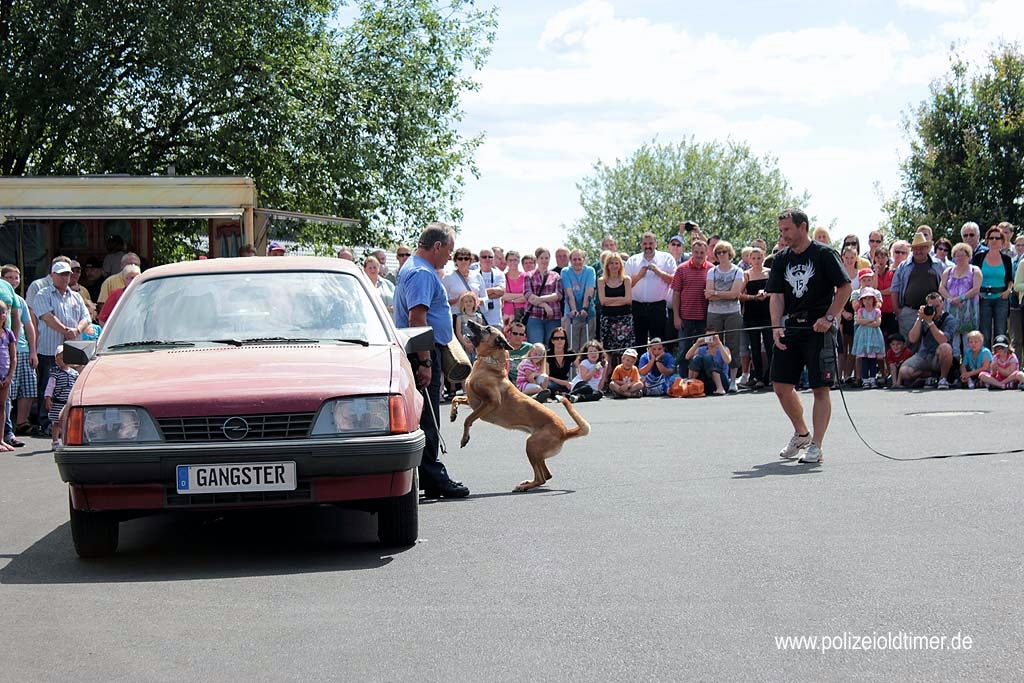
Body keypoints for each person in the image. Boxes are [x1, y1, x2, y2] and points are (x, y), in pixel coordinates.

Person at [767, 208, 852, 465]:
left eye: (787, 230)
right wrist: (775, 326)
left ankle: (817, 445)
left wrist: (829, 317)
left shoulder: (824, 254)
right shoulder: (781, 259)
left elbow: (845, 287)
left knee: (819, 388)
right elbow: (777, 295)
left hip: (819, 327)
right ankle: (802, 433)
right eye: (781, 231)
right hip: (792, 326)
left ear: (802, 227)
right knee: (781, 386)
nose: (783, 235)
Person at [392, 221, 469, 499]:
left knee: (426, 414)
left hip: (421, 349)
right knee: (427, 416)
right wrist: (425, 362)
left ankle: (428, 473)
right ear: (437, 246)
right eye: (449, 249)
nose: (451, 255)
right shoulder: (422, 273)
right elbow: (417, 318)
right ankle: (433, 476)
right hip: (422, 350)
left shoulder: (413, 268)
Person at [34, 260, 91, 435]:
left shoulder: (76, 296)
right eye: (61, 274)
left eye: (67, 274)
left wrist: (77, 330)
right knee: (49, 387)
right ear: (52, 275)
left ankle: (70, 422)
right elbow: (46, 316)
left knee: (73, 385)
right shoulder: (43, 294)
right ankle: (47, 424)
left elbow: (86, 317)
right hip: (51, 348)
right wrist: (65, 330)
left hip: (73, 348)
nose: (66, 277)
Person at [1, 265, 36, 442]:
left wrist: (12, 341)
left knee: (17, 391)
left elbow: (20, 320)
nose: (14, 281)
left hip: (12, 349)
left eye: (17, 277)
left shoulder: (13, 295)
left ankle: (12, 430)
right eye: (10, 277)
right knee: (8, 394)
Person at [705, 240, 744, 391]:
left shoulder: (737, 271)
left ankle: (733, 380)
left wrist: (716, 293)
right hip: (714, 312)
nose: (721, 255)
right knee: (712, 343)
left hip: (732, 312)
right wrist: (723, 294)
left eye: (724, 252)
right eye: (718, 252)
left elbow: (735, 294)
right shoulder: (712, 272)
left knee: (733, 345)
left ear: (730, 254)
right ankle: (716, 381)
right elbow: (708, 295)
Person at [625, 232, 676, 347]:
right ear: (641, 245)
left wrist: (659, 272)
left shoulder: (667, 258)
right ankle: (638, 365)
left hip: (658, 307)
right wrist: (639, 276)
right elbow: (626, 285)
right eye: (645, 244)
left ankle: (659, 365)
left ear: (656, 243)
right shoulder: (633, 261)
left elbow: (674, 281)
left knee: (659, 342)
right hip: (637, 307)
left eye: (651, 243)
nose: (648, 246)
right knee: (638, 343)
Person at [896, 292, 956, 389]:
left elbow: (943, 340)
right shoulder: (924, 317)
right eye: (932, 306)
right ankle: (929, 375)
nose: (935, 309)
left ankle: (942, 379)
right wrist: (919, 319)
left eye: (937, 305)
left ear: (942, 304)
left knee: (946, 347)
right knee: (904, 372)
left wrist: (930, 323)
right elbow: (912, 339)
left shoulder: (949, 319)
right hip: (923, 354)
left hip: (938, 356)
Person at [891, 232, 945, 341]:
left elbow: (945, 286)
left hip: (932, 312)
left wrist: (941, 308)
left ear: (927, 248)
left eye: (922, 248)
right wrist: (897, 310)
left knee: (931, 344)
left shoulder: (938, 265)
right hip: (909, 312)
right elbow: (895, 288)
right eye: (915, 248)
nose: (918, 251)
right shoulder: (903, 266)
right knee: (909, 344)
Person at [671, 239, 714, 375]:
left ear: (706, 252)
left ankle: (703, 380)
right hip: (686, 318)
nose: (699, 255)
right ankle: (684, 380)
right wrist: (676, 317)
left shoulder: (712, 269)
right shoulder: (681, 269)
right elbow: (676, 294)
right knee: (684, 350)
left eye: (702, 252)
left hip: (705, 318)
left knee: (704, 349)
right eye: (696, 252)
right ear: (692, 252)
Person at [971, 226, 1014, 347]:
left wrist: (1008, 291)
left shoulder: (1006, 259)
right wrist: (977, 292)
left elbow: (1010, 279)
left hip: (1001, 298)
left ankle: (1000, 361)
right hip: (983, 298)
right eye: (991, 238)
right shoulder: (979, 257)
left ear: (1002, 241)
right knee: (984, 332)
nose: (994, 240)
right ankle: (985, 361)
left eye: (998, 238)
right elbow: (972, 276)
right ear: (987, 240)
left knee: (1000, 332)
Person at [939, 242, 981, 361]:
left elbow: (976, 288)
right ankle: (955, 365)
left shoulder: (974, 270)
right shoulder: (948, 271)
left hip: (969, 309)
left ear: (969, 256)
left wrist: (961, 298)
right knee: (954, 339)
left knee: (969, 340)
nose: (960, 258)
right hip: (951, 309)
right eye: (957, 255)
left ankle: (969, 365)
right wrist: (951, 299)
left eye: (963, 255)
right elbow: (941, 287)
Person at [597, 251, 634, 372]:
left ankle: (625, 375)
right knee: (608, 351)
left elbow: (628, 300)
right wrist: (620, 299)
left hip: (625, 320)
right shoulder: (602, 281)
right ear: (607, 265)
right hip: (608, 320)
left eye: (616, 263)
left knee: (626, 351)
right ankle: (607, 378)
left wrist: (611, 300)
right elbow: (603, 301)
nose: (614, 266)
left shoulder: (626, 280)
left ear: (620, 265)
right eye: (611, 263)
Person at [740, 246, 772, 388]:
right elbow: (739, 295)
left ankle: (771, 376)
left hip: (767, 313)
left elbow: (776, 291)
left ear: (763, 257)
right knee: (754, 346)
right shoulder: (746, 274)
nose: (757, 261)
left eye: (759, 258)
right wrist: (754, 297)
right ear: (749, 259)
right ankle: (758, 377)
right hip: (751, 314)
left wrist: (766, 294)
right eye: (754, 258)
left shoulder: (769, 273)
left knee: (770, 345)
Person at [523, 248, 562, 343]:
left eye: (546, 258)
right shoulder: (529, 275)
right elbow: (529, 295)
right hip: (535, 316)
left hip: (553, 317)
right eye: (542, 258)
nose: (544, 260)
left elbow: (558, 295)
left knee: (551, 346)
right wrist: (545, 306)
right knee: (536, 346)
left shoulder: (555, 276)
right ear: (537, 259)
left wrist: (539, 299)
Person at [45, 345, 80, 450]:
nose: (63, 360)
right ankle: (55, 442)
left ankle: (66, 441)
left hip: (68, 403)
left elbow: (77, 387)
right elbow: (50, 386)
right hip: (58, 402)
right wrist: (48, 398)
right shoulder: (55, 372)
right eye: (60, 357)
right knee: (56, 422)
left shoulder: (75, 373)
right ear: (56, 359)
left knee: (68, 423)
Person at [561, 248, 596, 348]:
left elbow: (589, 290)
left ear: (584, 260)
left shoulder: (590, 271)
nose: (577, 262)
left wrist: (584, 308)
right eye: (574, 259)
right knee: (572, 345)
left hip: (588, 313)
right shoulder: (566, 271)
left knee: (587, 345)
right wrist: (574, 309)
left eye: (579, 259)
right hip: (572, 314)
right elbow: (569, 293)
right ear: (570, 261)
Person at [852, 287, 885, 388]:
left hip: (874, 337)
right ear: (862, 300)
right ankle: (865, 379)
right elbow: (859, 321)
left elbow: (878, 323)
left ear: (874, 299)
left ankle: (873, 378)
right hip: (863, 337)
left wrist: (865, 322)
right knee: (864, 359)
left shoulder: (877, 311)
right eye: (865, 299)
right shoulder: (861, 311)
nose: (867, 301)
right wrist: (871, 321)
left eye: (870, 298)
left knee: (873, 359)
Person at [684, 328, 732, 395]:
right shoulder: (701, 349)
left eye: (713, 336)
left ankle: (720, 388)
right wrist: (697, 344)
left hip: (722, 380)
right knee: (697, 358)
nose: (711, 339)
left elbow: (728, 361)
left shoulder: (724, 348)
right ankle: (690, 386)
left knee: (708, 357)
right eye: (708, 337)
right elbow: (687, 357)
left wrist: (719, 343)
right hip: (706, 381)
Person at [0, 302, 17, 451]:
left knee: (2, 408)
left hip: (5, 376)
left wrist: (9, 376)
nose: (1, 315)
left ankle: (1, 439)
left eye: (3, 312)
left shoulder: (8, 333)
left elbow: (13, 357)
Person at [476, 248, 506, 328]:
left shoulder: (499, 274)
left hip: (495, 320)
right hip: (477, 319)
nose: (487, 259)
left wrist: (481, 295)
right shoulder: (474, 274)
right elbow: (473, 294)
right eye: (484, 257)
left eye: (490, 257)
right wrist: (493, 291)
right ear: (479, 259)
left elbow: (501, 291)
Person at [545, 327, 577, 397]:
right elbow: (547, 376)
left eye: (562, 338)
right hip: (552, 383)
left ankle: (560, 394)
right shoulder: (548, 354)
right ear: (552, 341)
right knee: (548, 385)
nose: (559, 340)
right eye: (556, 338)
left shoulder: (570, 353)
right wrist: (564, 383)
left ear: (565, 340)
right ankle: (564, 394)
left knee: (582, 385)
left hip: (566, 384)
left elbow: (580, 367)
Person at [454, 291, 484, 362]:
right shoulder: (459, 318)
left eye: (470, 301)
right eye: (466, 302)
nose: (468, 303)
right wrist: (466, 344)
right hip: (464, 345)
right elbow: (458, 333)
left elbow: (480, 333)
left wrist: (473, 344)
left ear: (474, 303)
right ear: (463, 304)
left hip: (475, 346)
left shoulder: (478, 317)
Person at [501, 250, 527, 330]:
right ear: (507, 262)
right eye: (510, 260)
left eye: (515, 260)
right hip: (507, 313)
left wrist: (510, 299)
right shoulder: (502, 277)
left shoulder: (526, 276)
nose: (513, 262)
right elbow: (503, 295)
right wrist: (520, 296)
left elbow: (527, 296)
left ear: (519, 261)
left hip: (523, 312)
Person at [505, 320, 532, 385]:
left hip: (525, 380)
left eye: (521, 334)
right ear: (509, 334)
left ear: (524, 336)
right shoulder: (503, 348)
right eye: (515, 333)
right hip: (508, 380)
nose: (518, 336)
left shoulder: (530, 348)